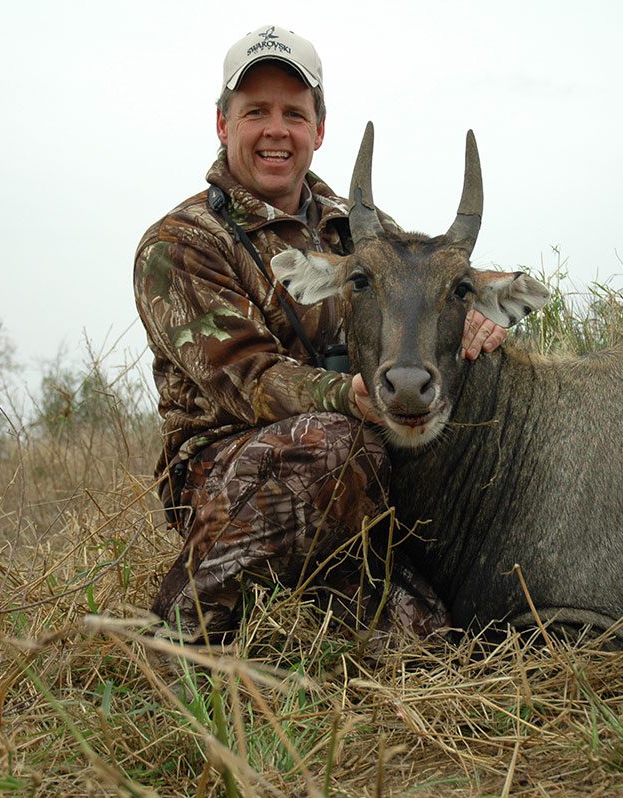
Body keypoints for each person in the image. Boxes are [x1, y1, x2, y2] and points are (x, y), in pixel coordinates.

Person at [133, 24, 505, 644]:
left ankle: (318, 592)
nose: (276, 130)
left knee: (437, 646)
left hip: (359, 476)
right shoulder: (179, 245)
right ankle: (183, 629)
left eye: (293, 113)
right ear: (223, 125)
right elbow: (248, 379)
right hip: (227, 476)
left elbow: (426, 278)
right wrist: (347, 397)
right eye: (256, 111)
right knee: (337, 444)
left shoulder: (360, 229)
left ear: (318, 130)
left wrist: (469, 310)